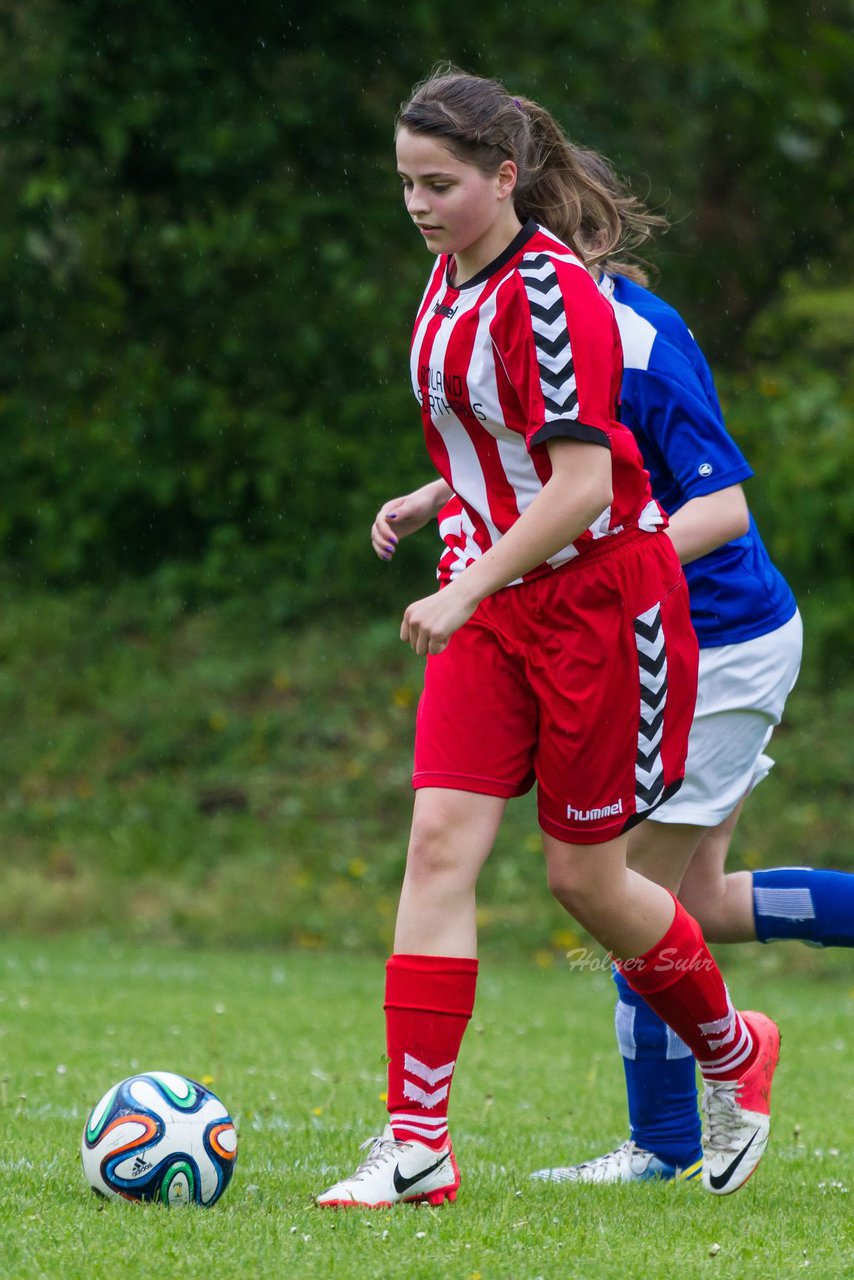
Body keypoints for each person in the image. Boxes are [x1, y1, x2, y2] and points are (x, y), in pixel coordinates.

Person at [316, 67, 780, 1209]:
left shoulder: (554, 294)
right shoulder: (445, 278)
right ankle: (416, 1145)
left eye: (440, 184)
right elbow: (501, 428)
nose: (418, 205)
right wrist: (439, 494)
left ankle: (732, 1048)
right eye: (405, 183)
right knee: (437, 845)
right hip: (495, 605)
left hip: (594, 611)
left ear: (504, 175)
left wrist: (466, 581)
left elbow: (579, 487)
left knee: (584, 879)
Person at [522, 147, 854, 1185]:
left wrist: (608, 574)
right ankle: (665, 1133)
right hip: (666, 645)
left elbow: (719, 507)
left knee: (626, 896)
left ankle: (662, 1144)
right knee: (696, 903)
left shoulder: (637, 340)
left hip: (719, 644)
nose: (540, 267)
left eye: (557, 240)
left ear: (599, 238)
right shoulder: (527, 329)